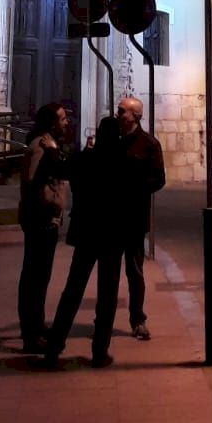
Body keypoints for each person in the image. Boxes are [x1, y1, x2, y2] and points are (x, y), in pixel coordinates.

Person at [44, 116, 126, 368]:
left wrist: (51, 151)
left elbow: (58, 169)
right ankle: (100, 351)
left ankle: (54, 346)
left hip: (87, 231)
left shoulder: (84, 159)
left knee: (73, 289)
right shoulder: (123, 161)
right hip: (112, 233)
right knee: (108, 294)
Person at [17, 101, 69, 353]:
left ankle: (36, 326)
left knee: (40, 276)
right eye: (62, 118)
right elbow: (34, 182)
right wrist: (51, 205)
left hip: (44, 218)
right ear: (51, 123)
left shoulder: (49, 145)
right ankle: (31, 333)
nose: (66, 122)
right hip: (40, 219)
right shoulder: (41, 146)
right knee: (34, 278)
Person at [116, 94, 166, 340]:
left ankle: (138, 319)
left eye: (122, 111)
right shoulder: (113, 142)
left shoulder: (149, 144)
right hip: (112, 217)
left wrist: (135, 188)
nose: (118, 115)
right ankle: (103, 318)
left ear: (135, 116)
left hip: (134, 217)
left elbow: (159, 179)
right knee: (109, 271)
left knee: (135, 272)